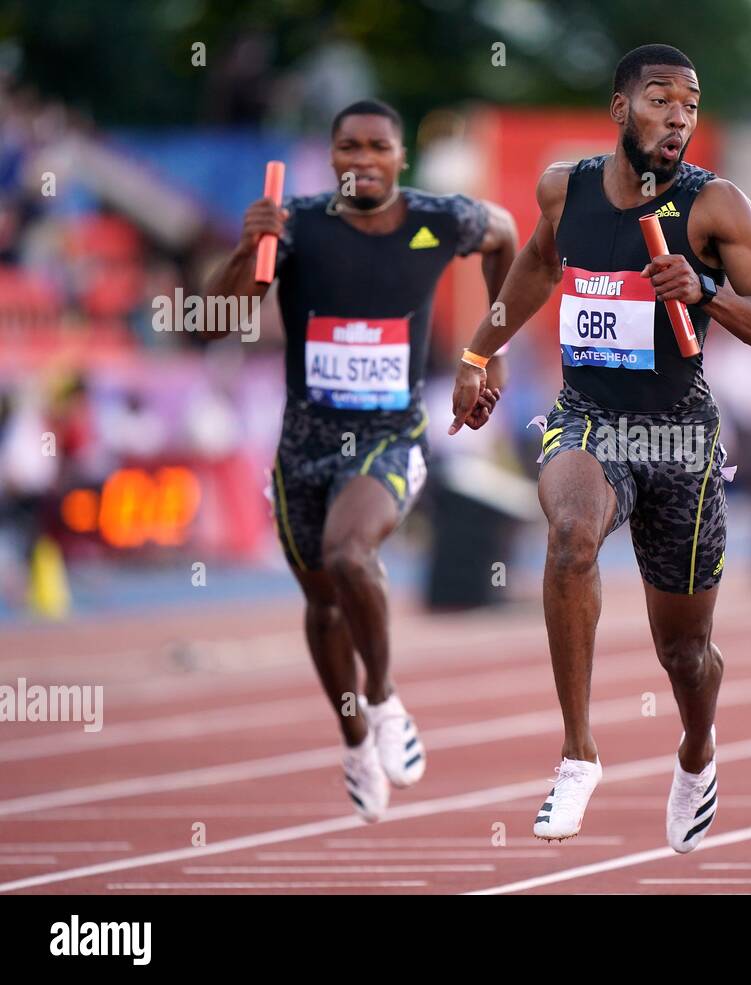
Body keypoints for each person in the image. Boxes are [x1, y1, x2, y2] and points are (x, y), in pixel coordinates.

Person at [449, 44, 751, 852]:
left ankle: (698, 749)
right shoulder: (563, 191)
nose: (678, 117)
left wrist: (705, 292)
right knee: (571, 538)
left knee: (685, 650)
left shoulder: (716, 208)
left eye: (691, 103)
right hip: (588, 417)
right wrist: (475, 354)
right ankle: (578, 752)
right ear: (619, 110)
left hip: (679, 433)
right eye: (660, 100)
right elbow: (535, 268)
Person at [205, 98, 517, 821]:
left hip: (391, 434)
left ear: (399, 157)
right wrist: (247, 247)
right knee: (322, 603)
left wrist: (490, 346)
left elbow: (506, 237)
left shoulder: (441, 218)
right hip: (304, 444)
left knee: (350, 556)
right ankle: (353, 740)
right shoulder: (299, 224)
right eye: (350, 147)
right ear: (333, 154)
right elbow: (222, 316)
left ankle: (382, 699)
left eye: (379, 147)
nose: (364, 161)